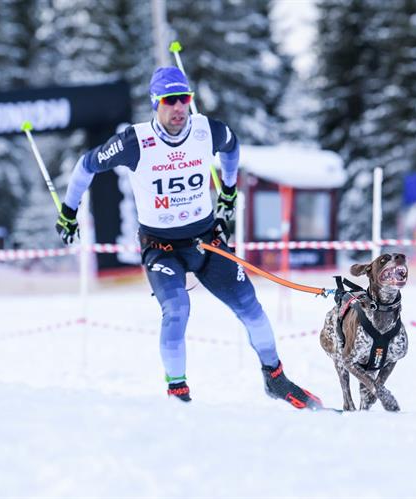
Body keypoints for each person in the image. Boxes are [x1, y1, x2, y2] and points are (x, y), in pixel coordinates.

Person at [55, 66, 322, 410]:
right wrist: (68, 210)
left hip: (206, 240)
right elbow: (85, 166)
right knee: (177, 309)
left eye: (184, 99)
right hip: (161, 247)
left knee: (251, 308)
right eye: (170, 101)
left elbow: (232, 147)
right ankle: (178, 393)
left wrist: (228, 191)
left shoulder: (205, 130)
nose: (179, 107)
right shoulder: (134, 142)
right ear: (156, 104)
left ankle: (275, 378)